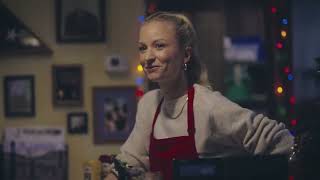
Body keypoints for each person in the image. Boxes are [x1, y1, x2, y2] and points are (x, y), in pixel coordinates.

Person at [105, 11, 294, 180]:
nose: (147, 57)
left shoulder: (208, 106)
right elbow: (130, 160)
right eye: (142, 48)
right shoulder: (149, 103)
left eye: (159, 45)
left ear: (186, 55)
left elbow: (281, 140)